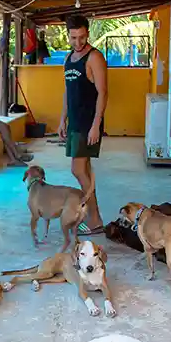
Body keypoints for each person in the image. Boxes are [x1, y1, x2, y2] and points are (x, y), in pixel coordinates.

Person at [58, 14, 107, 236]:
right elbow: (68, 91)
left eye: (82, 37)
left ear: (88, 33)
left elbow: (103, 92)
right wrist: (62, 119)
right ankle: (95, 218)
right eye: (73, 37)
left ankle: (94, 218)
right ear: (68, 35)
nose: (78, 42)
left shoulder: (94, 57)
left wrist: (96, 124)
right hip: (75, 122)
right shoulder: (69, 58)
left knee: (77, 169)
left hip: (88, 122)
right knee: (84, 170)